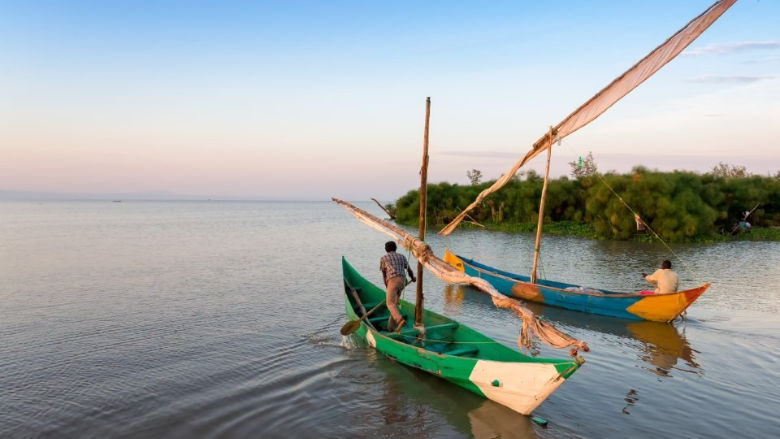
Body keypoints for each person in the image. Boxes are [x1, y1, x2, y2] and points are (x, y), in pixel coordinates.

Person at [380, 241, 415, 331]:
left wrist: (387, 286)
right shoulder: (402, 256)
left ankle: (399, 320)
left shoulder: (384, 258)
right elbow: (409, 270)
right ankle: (390, 327)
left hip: (393, 281)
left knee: (389, 303)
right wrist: (413, 277)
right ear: (395, 248)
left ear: (386, 249)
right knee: (394, 305)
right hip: (402, 281)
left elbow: (384, 275)